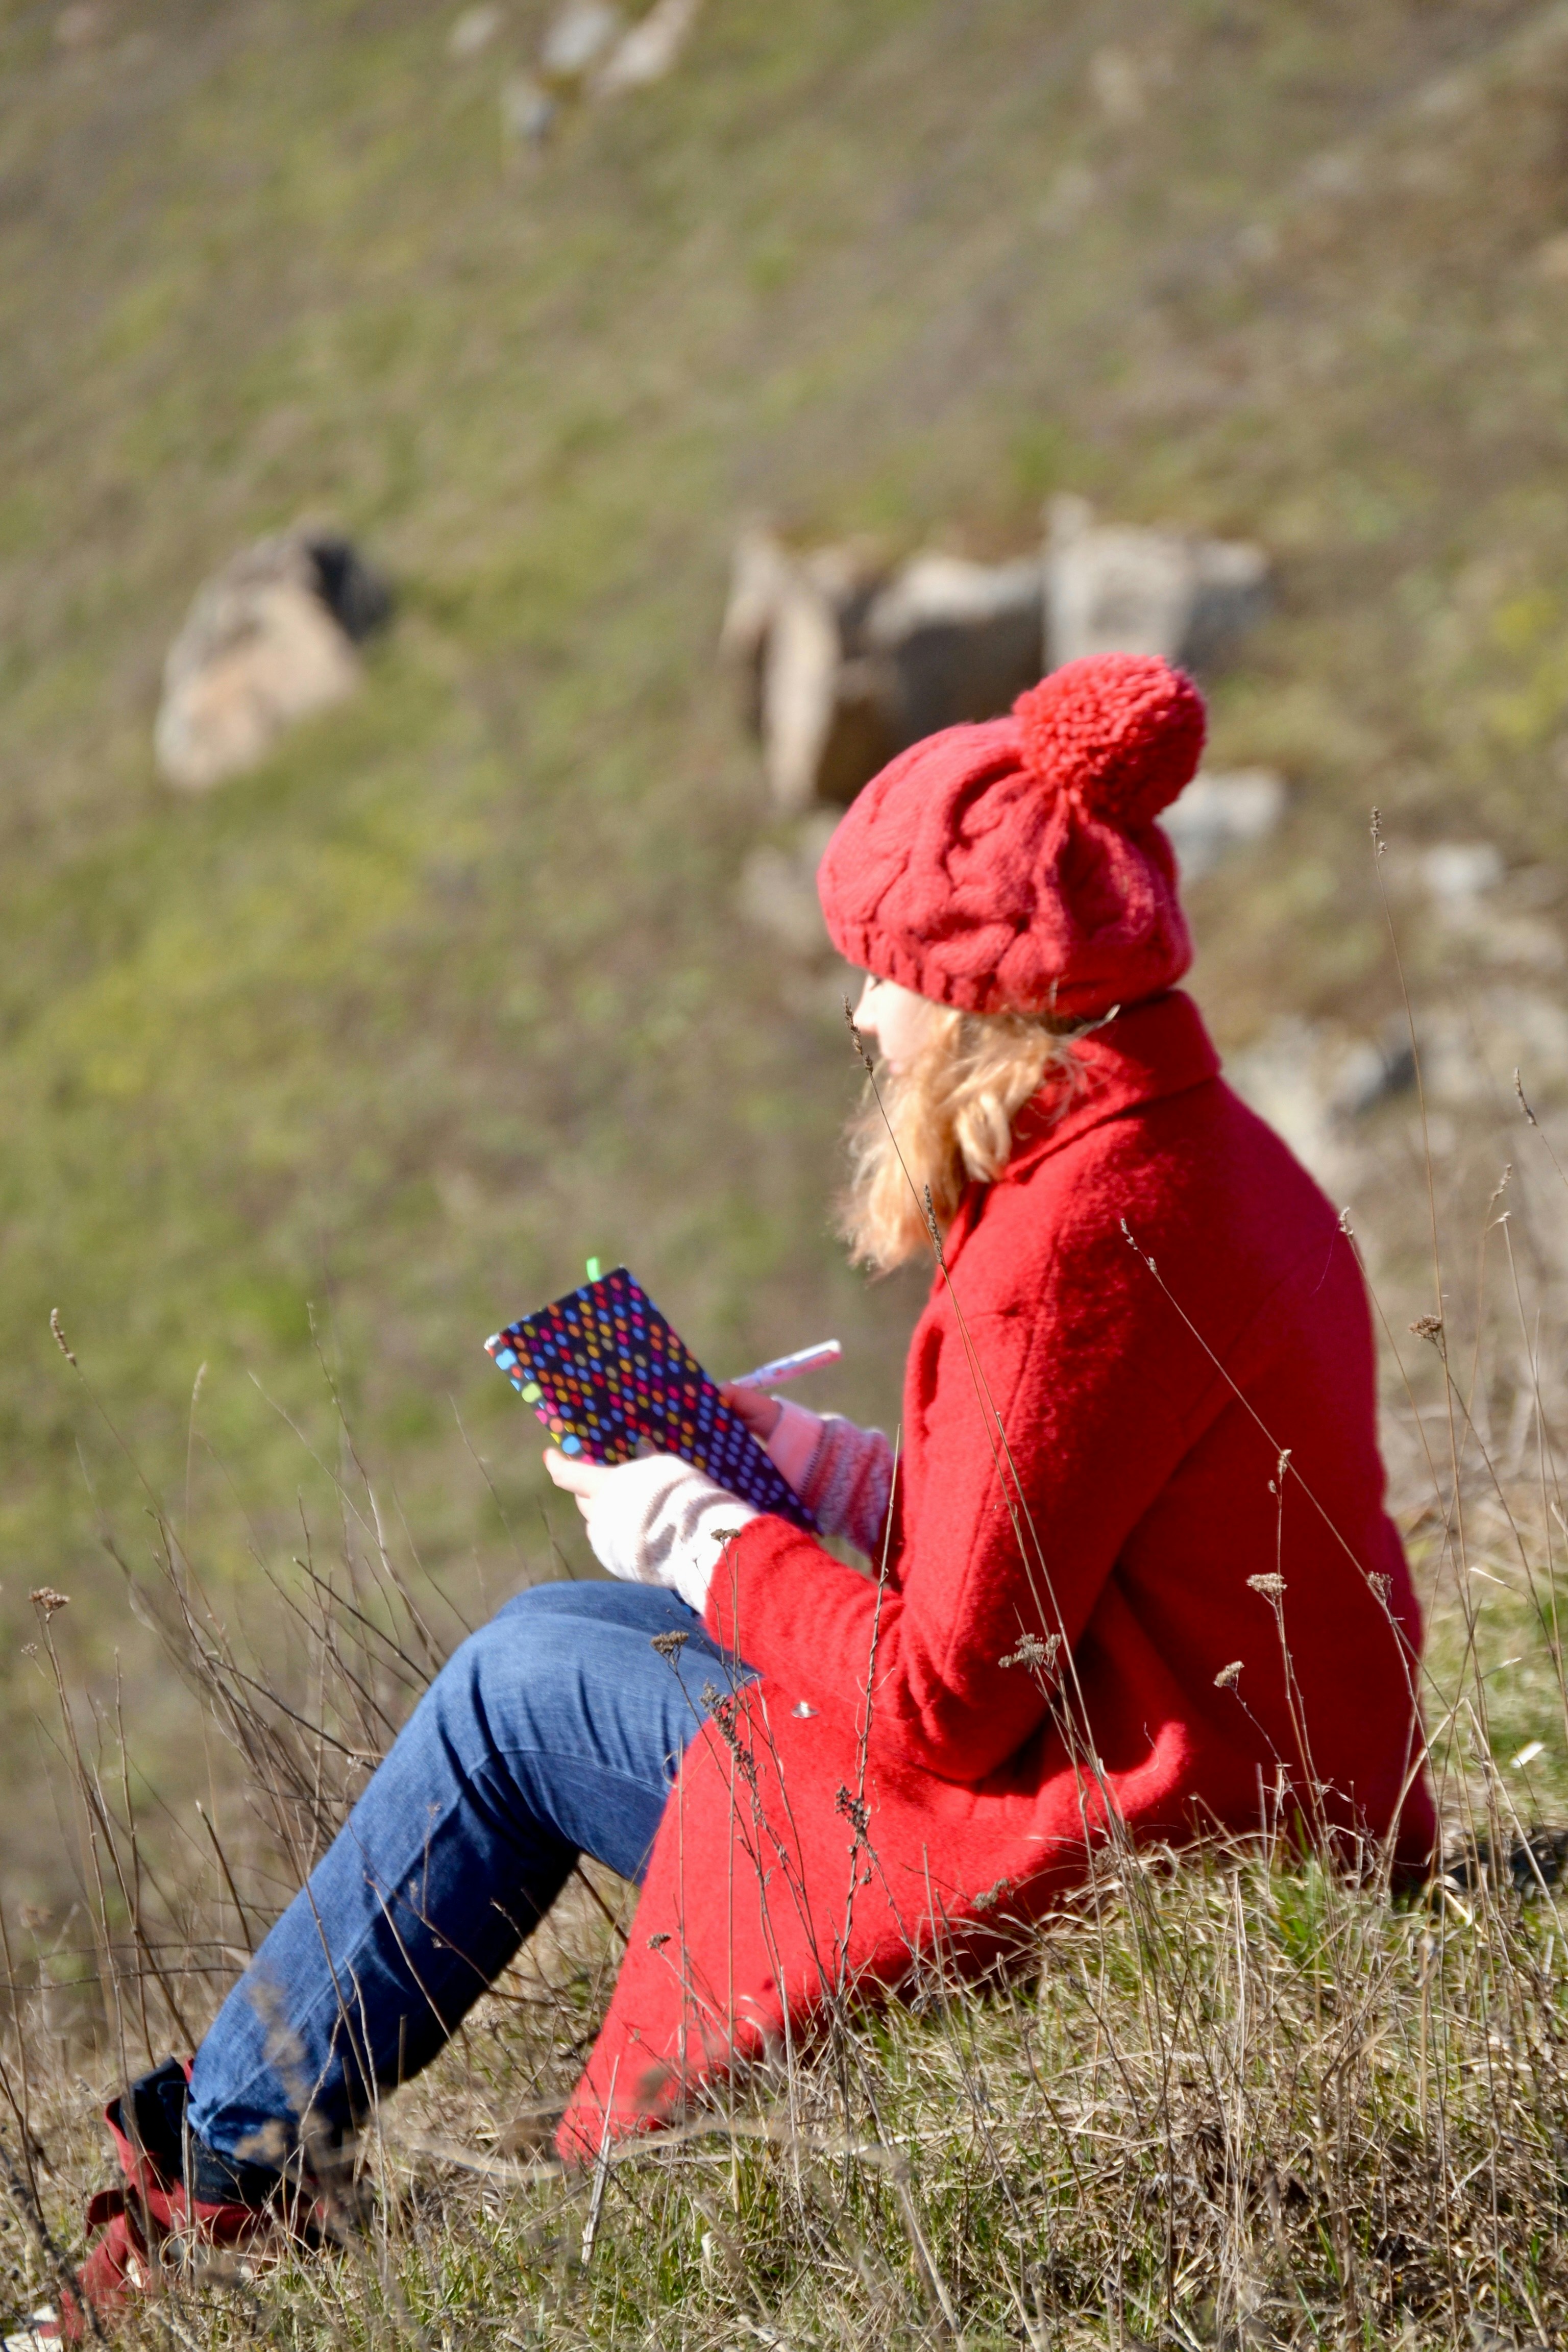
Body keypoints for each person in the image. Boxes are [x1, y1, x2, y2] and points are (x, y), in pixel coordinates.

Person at [65, 653, 1433, 2329]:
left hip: (1106, 1843)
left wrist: (709, 1541)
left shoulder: (1063, 1254)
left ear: (975, 994)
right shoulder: (1205, 1151)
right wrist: (814, 1474)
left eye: (885, 972)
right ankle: (231, 2155)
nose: (863, 1014)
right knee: (577, 1626)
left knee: (518, 1681)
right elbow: (1084, 1534)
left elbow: (943, 1702)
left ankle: (220, 2192)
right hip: (1242, 1789)